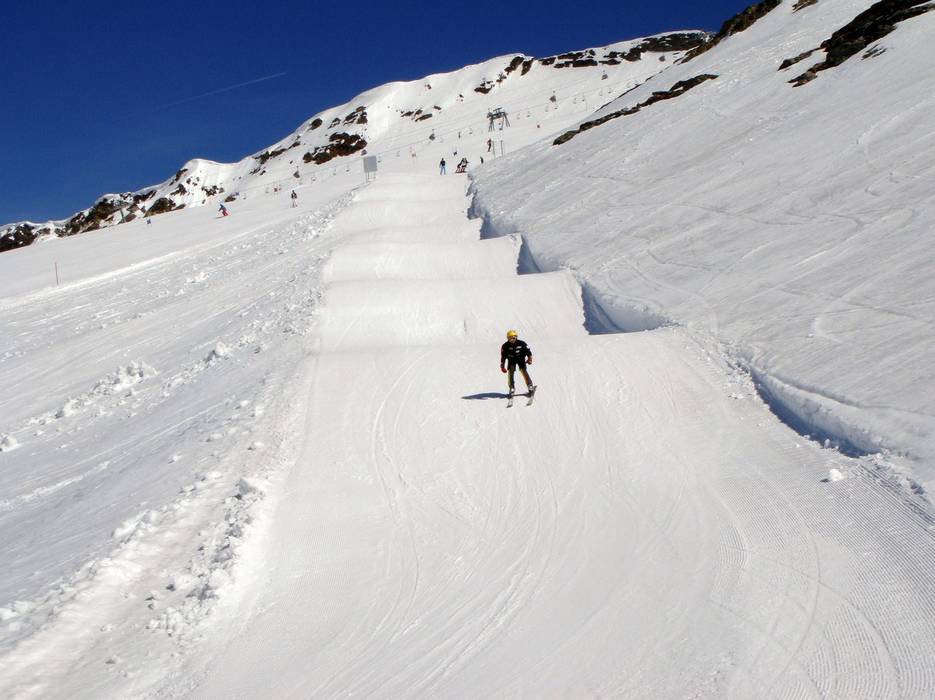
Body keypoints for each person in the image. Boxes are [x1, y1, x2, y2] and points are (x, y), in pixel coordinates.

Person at [500, 329, 535, 397]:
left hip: (521, 359)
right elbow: (503, 357)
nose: (512, 339)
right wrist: (502, 366)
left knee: (524, 371)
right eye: (510, 338)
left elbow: (528, 352)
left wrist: (529, 359)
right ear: (508, 338)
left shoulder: (522, 343)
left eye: (514, 337)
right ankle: (512, 388)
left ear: (516, 337)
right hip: (511, 360)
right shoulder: (505, 346)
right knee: (511, 373)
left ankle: (530, 385)